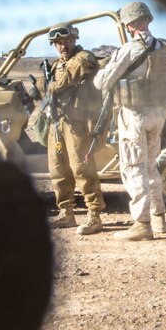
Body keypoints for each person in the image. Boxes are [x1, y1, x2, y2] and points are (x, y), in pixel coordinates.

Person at [94, 1, 166, 241]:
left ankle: (141, 224)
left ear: (129, 25)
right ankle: (159, 217)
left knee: (133, 167)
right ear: (148, 19)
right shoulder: (163, 48)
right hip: (157, 114)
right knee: (151, 165)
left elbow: (102, 82)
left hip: (134, 115)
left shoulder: (129, 49)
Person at [44, 24, 106, 236]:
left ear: (75, 40)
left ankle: (94, 215)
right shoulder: (56, 65)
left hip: (79, 123)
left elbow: (69, 77)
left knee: (82, 169)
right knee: (58, 170)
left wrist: (52, 89)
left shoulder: (83, 58)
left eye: (67, 41)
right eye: (59, 43)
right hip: (58, 123)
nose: (63, 45)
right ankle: (66, 213)